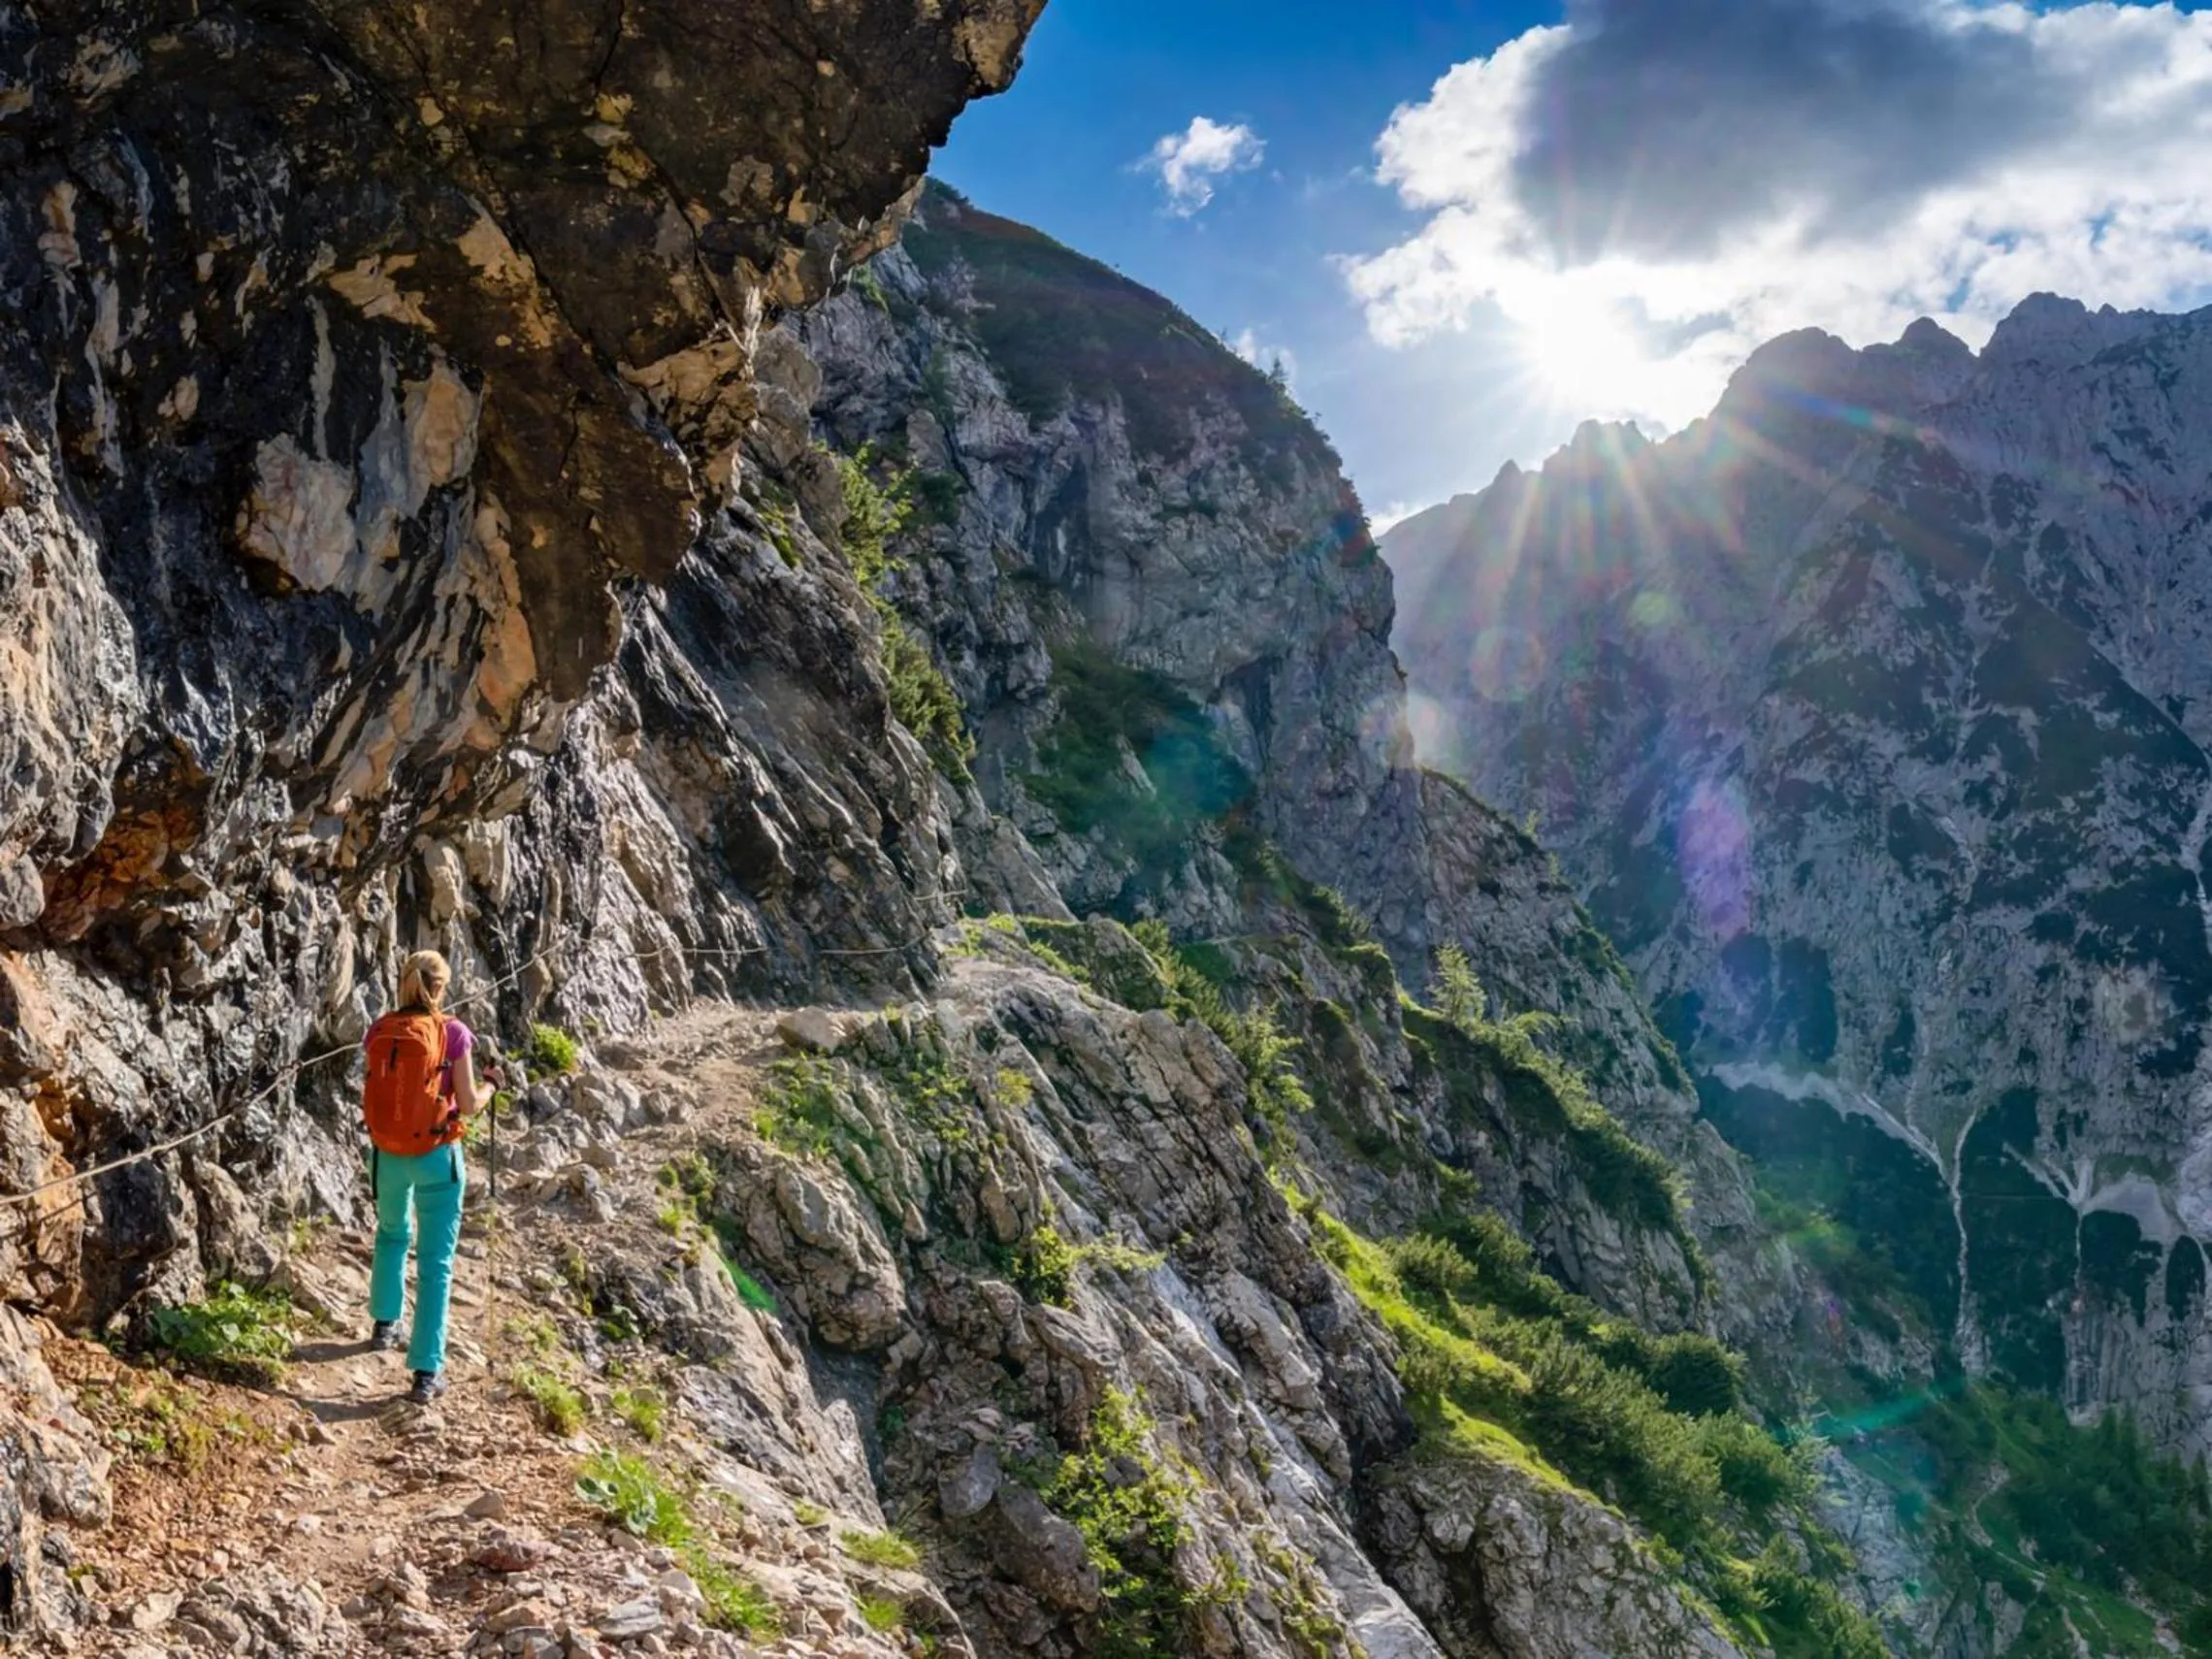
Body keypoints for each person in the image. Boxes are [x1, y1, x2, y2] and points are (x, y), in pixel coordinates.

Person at [359, 950, 485, 1406]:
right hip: (436, 1154)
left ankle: (383, 1325)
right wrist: (490, 1084)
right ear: (441, 986)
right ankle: (425, 1373)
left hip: (388, 1153)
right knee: (436, 1265)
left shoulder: (380, 1029)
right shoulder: (453, 1033)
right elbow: (468, 1103)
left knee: (391, 1234)